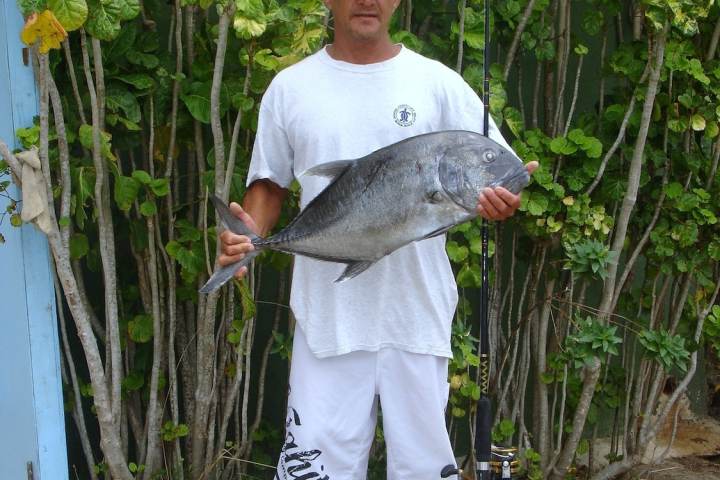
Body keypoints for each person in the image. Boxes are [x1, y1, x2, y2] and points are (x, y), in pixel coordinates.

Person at [218, 0, 538, 478]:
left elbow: (498, 173)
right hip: (327, 323)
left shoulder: (438, 83)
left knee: (424, 472)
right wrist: (247, 238)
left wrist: (503, 201)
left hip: (417, 318)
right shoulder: (291, 88)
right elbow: (269, 184)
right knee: (315, 472)